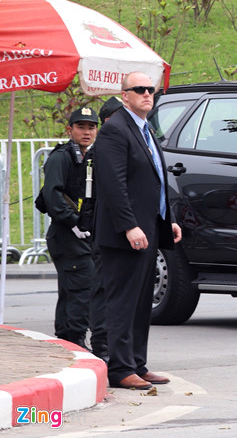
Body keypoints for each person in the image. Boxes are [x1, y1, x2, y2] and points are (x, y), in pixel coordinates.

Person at [93, 72, 182, 390]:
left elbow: (154, 180)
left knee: (142, 301)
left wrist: (166, 219)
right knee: (123, 302)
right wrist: (129, 225)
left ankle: (137, 363)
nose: (147, 94)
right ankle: (119, 368)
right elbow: (114, 185)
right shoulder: (115, 131)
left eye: (151, 90)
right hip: (124, 234)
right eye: (140, 89)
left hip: (149, 229)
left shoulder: (145, 130)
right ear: (125, 95)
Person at [41, 106, 99, 349]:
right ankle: (75, 342)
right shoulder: (61, 157)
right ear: (70, 129)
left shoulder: (88, 157)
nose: (86, 132)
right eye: (80, 127)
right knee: (81, 288)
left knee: (71, 289)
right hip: (67, 233)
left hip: (79, 234)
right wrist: (73, 222)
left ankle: (66, 343)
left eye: (91, 127)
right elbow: (51, 196)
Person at [85, 96, 124, 363]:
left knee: (117, 288)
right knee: (104, 287)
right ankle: (101, 343)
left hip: (116, 229)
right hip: (106, 229)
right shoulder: (104, 150)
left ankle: (114, 344)